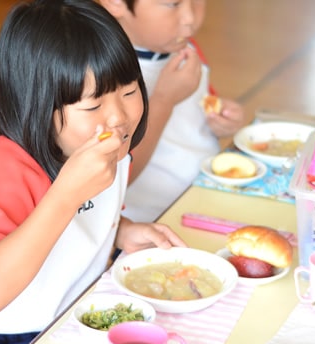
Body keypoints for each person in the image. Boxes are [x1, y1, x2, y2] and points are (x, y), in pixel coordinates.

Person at [0, 0, 186, 344]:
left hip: (69, 318)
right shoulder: (11, 169)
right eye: (93, 105)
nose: (118, 117)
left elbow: (81, 219)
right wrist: (66, 194)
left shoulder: (101, 148)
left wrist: (119, 233)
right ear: (38, 105)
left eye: (129, 92)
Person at [99, 0, 252, 223]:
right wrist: (164, 99)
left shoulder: (184, 48)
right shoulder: (103, 76)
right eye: (172, 4)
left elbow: (198, 110)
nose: (190, 17)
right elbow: (118, 174)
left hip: (206, 196)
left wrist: (220, 121)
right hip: (153, 219)